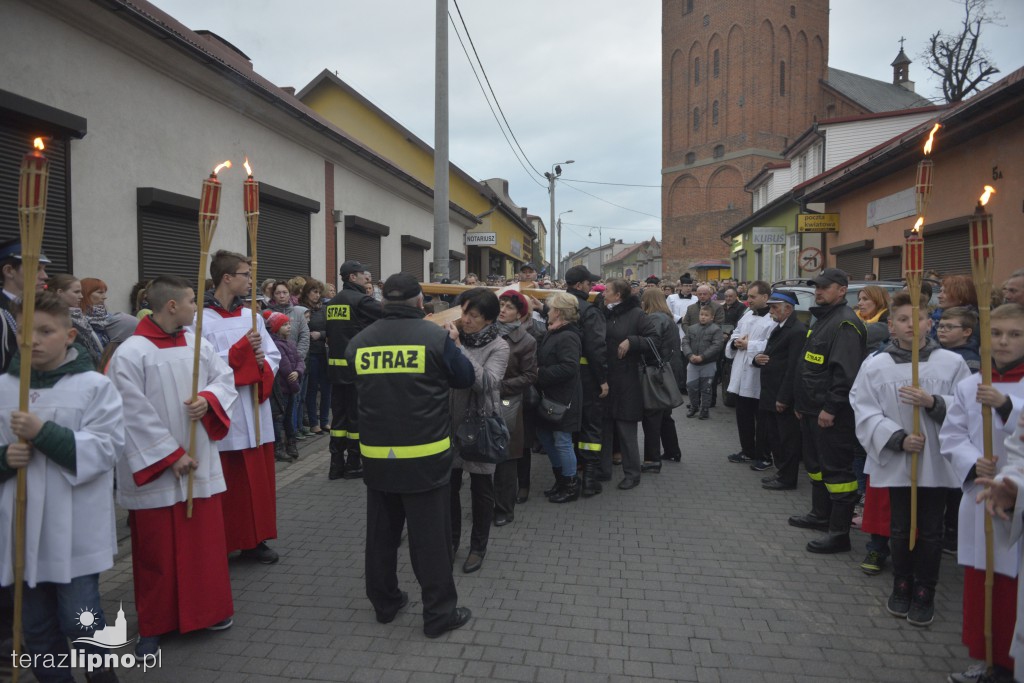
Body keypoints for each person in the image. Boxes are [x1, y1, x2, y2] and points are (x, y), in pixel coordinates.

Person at [108, 276, 238, 656]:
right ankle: (155, 623)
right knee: (156, 553)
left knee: (203, 546)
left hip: (198, 461)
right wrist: (170, 455)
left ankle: (208, 611)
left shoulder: (197, 343)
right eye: (191, 301)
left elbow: (224, 378)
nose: (196, 307)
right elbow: (129, 412)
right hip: (159, 468)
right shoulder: (131, 352)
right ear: (171, 307)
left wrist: (209, 399)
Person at [0, 292, 125, 683]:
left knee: (81, 621)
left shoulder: (92, 387)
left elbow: (108, 447)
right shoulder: (4, 386)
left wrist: (45, 434)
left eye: (45, 331)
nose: (32, 339)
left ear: (70, 335)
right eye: (24, 330)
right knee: (35, 626)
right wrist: (4, 459)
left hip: (73, 526)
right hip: (20, 525)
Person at [344, 272, 475, 638]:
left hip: (376, 457)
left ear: (383, 303)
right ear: (421, 303)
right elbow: (465, 378)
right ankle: (438, 615)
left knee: (381, 536)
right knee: (430, 539)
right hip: (425, 458)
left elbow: (352, 383)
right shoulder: (435, 337)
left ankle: (385, 604)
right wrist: (455, 344)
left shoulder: (360, 341)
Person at [851, 292, 969, 626]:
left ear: (928, 323)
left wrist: (933, 402)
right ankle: (901, 584)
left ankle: (925, 590)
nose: (910, 325)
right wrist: (898, 438)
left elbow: (967, 410)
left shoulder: (951, 363)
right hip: (899, 459)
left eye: (917, 319)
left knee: (930, 530)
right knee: (901, 528)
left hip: (936, 460)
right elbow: (863, 407)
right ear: (891, 325)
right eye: (902, 319)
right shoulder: (876, 365)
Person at [943, 303, 1024, 681]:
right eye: (996, 333)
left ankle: (1012, 664)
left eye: (1015, 334)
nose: (1004, 342)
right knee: (982, 583)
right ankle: (987, 658)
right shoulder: (969, 385)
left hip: (1016, 502)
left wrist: (1008, 405)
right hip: (979, 496)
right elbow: (952, 435)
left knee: (1013, 589)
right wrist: (974, 462)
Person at [198, 250, 281, 564]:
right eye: (245, 274)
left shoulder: (253, 316)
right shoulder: (199, 320)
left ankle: (254, 540)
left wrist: (260, 366)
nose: (251, 280)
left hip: (254, 408)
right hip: (227, 411)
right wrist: (243, 357)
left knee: (255, 481)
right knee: (228, 481)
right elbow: (199, 365)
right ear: (227, 277)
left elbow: (272, 356)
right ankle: (224, 540)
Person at [789, 268, 866, 554]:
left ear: (841, 290)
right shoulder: (823, 318)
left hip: (830, 413)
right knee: (817, 468)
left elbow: (844, 374)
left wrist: (830, 407)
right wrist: (802, 404)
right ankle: (820, 515)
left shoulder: (845, 324)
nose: (818, 292)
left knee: (838, 474)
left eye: (824, 287)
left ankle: (839, 534)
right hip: (811, 409)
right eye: (816, 287)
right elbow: (811, 365)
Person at [445, 288, 509, 574]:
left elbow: (486, 383)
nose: (466, 320)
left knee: (482, 491)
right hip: (449, 424)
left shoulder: (499, 346)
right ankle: (451, 543)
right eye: (464, 313)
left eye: (473, 316)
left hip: (481, 425)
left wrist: (458, 349)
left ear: (489, 320)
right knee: (449, 489)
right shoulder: (450, 336)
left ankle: (478, 547)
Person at [325, 261, 383, 480]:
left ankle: (335, 465)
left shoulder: (333, 302)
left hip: (335, 370)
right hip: (356, 370)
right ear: (352, 278)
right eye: (362, 275)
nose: (366, 278)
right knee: (356, 419)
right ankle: (353, 464)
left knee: (338, 420)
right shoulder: (361, 300)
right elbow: (387, 314)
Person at [602, 278, 657, 490]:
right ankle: (603, 470)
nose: (603, 294)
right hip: (605, 380)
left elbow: (654, 340)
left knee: (626, 431)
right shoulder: (603, 312)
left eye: (607, 291)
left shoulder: (637, 315)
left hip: (627, 381)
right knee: (604, 430)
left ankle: (632, 474)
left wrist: (632, 341)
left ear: (618, 295)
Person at [492, 291, 537, 526]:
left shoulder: (526, 340)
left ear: (519, 313)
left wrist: (498, 386)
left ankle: (504, 509)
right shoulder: (485, 333)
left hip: (510, 404)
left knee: (507, 458)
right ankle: (487, 504)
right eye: (501, 305)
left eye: (509, 307)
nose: (502, 310)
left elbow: (530, 375)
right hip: (483, 402)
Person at [564, 265, 610, 496]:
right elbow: (596, 348)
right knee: (590, 425)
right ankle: (590, 478)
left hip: (562, 378)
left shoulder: (557, 307)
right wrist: (602, 379)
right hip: (586, 377)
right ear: (581, 284)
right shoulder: (590, 312)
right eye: (589, 283)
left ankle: (567, 476)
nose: (591, 287)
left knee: (566, 426)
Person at [754, 291, 807, 491]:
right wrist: (757, 359)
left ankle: (787, 477)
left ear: (789, 308)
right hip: (771, 392)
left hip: (782, 396)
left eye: (775, 307)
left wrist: (784, 398)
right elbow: (770, 355)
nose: (771, 311)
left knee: (787, 439)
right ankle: (781, 472)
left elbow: (794, 367)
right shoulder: (781, 327)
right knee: (775, 436)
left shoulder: (797, 331)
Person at [534, 292, 583, 501]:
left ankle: (570, 485)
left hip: (564, 398)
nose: (548, 312)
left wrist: (539, 375)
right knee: (546, 437)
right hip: (551, 395)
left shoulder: (568, 336)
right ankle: (560, 480)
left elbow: (569, 367)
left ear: (559, 312)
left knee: (562, 441)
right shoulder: (554, 331)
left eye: (551, 309)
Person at [724, 281, 775, 469]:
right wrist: (735, 342)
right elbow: (736, 333)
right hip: (741, 373)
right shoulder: (747, 315)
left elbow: (773, 344)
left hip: (758, 375)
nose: (749, 300)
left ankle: (764, 455)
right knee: (743, 415)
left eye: (753, 297)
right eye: (748, 296)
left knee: (762, 420)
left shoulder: (772, 319)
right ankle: (747, 450)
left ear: (765, 297)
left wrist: (749, 345)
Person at [639, 287, 682, 471]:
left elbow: (651, 344)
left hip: (656, 372)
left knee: (652, 416)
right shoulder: (667, 318)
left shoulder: (654, 318)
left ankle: (652, 459)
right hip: (669, 369)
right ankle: (673, 450)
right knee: (665, 415)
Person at [0, 238, 50, 373]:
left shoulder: (46, 310)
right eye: (36, 269)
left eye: (44, 269)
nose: (44, 276)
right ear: (9, 271)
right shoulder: (2, 314)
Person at [263, 310, 303, 461]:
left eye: (288, 324)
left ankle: (291, 444)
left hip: (292, 387)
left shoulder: (290, 344)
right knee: (280, 418)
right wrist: (295, 386)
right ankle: (279, 447)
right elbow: (285, 368)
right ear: (276, 328)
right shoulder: (277, 346)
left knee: (287, 418)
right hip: (283, 389)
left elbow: (299, 360)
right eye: (284, 325)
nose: (288, 327)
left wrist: (298, 372)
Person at [48, 274, 104, 367]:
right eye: (76, 292)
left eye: (81, 292)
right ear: (60, 292)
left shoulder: (79, 317)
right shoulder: (55, 319)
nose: (81, 296)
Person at [681, 305, 724, 420]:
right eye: (701, 315)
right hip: (693, 363)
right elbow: (685, 342)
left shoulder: (716, 329)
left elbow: (717, 345)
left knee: (706, 388)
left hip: (708, 364)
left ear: (712, 317)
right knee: (691, 386)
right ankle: (694, 406)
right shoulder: (692, 328)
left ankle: (704, 409)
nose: (703, 317)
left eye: (706, 315)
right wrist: (690, 355)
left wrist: (703, 357)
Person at [301, 279, 330, 434]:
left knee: (326, 388)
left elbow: (332, 329)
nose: (317, 295)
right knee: (312, 389)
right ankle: (314, 422)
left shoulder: (324, 309)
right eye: (314, 292)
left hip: (324, 353)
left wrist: (321, 334)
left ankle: (325, 421)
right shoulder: (301, 309)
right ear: (307, 292)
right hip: (310, 354)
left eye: (319, 292)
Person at [936, 306, 981, 374]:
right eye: (941, 326)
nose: (942, 330)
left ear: (966, 332)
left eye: (949, 327)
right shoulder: (934, 352)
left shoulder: (970, 360)